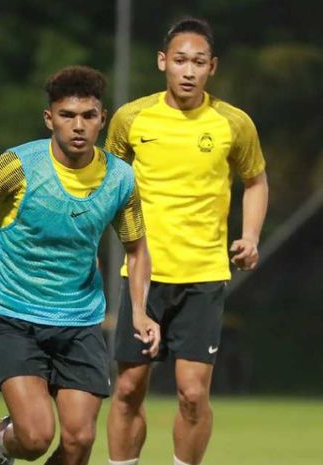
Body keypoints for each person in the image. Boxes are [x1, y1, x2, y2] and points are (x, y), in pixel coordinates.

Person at [0, 65, 160, 465]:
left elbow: (137, 249)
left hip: (79, 319)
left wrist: (140, 312)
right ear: (49, 118)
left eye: (89, 116)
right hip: (14, 314)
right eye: (67, 115)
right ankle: (5, 445)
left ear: (102, 119)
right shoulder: (18, 166)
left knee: (78, 442)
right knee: (36, 437)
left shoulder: (120, 180)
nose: (78, 126)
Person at [104, 18, 269, 465]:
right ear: (163, 62)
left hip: (204, 276)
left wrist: (250, 236)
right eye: (180, 61)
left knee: (193, 394)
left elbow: (255, 182)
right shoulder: (131, 118)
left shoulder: (233, 123)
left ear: (211, 66)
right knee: (127, 388)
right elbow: (108, 184)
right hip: (143, 274)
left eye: (198, 62)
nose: (188, 70)